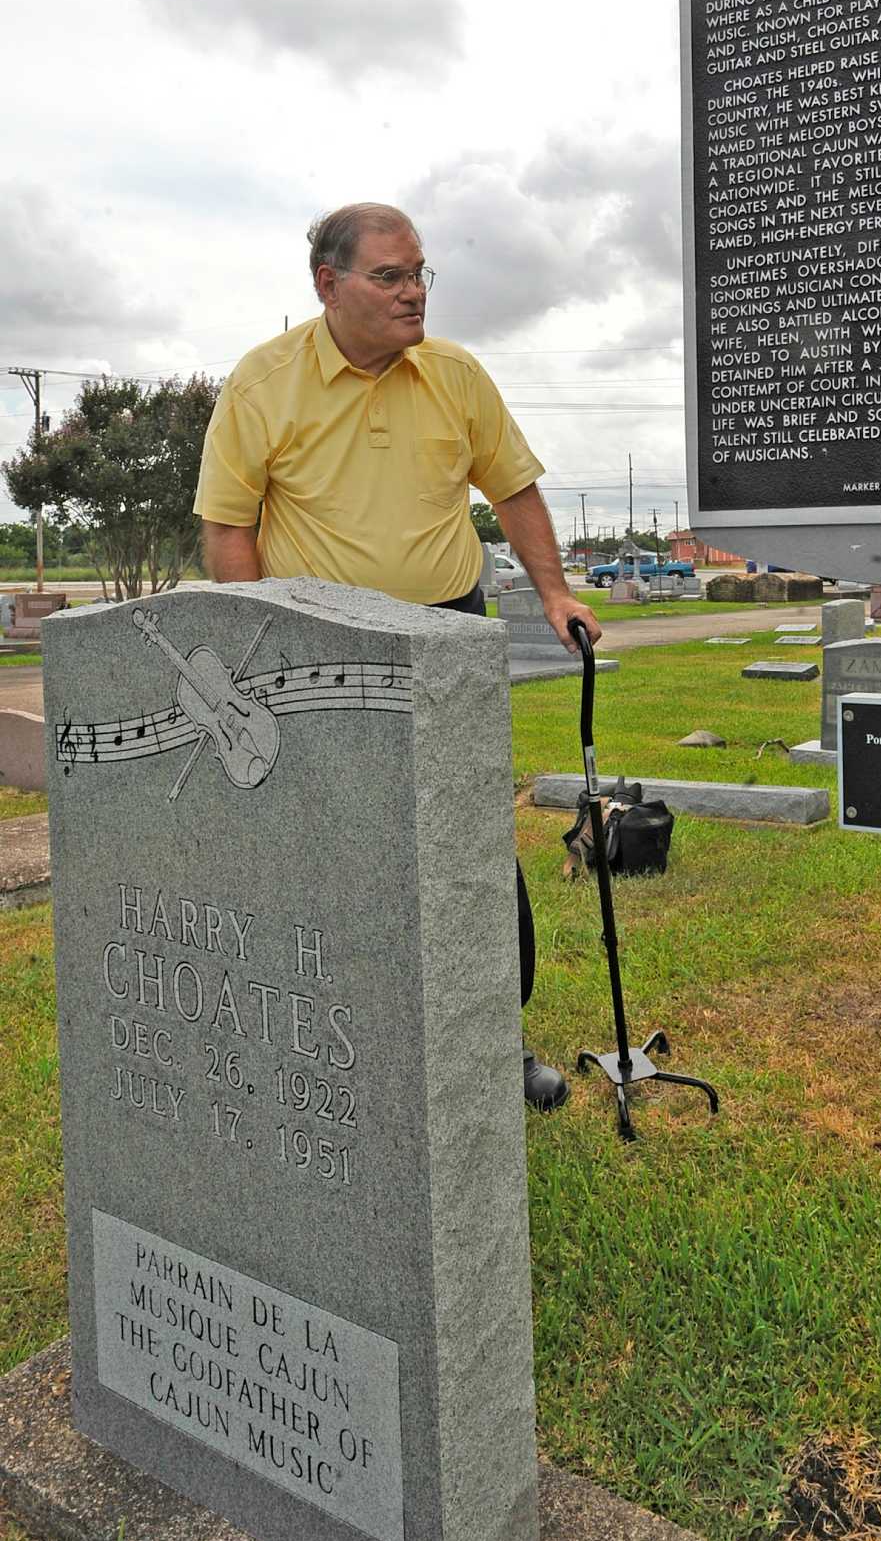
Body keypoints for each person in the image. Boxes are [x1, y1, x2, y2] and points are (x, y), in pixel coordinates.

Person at [194, 200, 601, 1110]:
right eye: (390, 276)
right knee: (333, 851)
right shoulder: (263, 385)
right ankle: (351, 1045)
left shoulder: (454, 374)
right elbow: (230, 528)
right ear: (327, 284)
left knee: (470, 845)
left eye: (420, 273)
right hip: (318, 641)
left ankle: (497, 1042)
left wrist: (555, 593)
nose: (414, 292)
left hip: (447, 631)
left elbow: (518, 491)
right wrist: (255, 657)